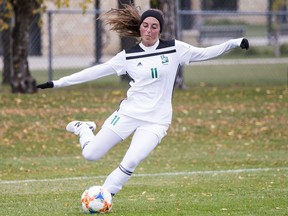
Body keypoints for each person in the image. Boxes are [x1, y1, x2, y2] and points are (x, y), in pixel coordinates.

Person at [37, 5, 249, 196]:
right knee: (91, 155)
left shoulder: (174, 49)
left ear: (160, 29)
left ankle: (106, 195)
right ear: (140, 28)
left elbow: (205, 53)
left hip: (157, 121)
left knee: (131, 159)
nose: (149, 30)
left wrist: (235, 42)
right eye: (145, 25)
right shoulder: (127, 56)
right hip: (128, 114)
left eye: (154, 26)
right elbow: (95, 71)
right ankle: (84, 128)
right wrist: (58, 83)